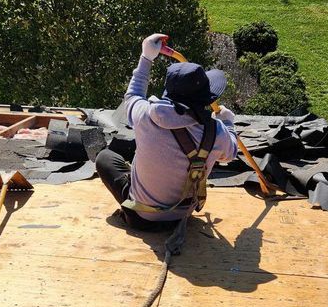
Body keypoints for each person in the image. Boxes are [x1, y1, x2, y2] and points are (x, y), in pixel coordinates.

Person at [96, 33, 238, 232]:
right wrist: (229, 123)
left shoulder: (145, 116)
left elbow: (133, 95)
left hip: (140, 217)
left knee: (105, 157)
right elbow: (231, 153)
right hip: (182, 218)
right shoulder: (217, 132)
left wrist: (146, 57)